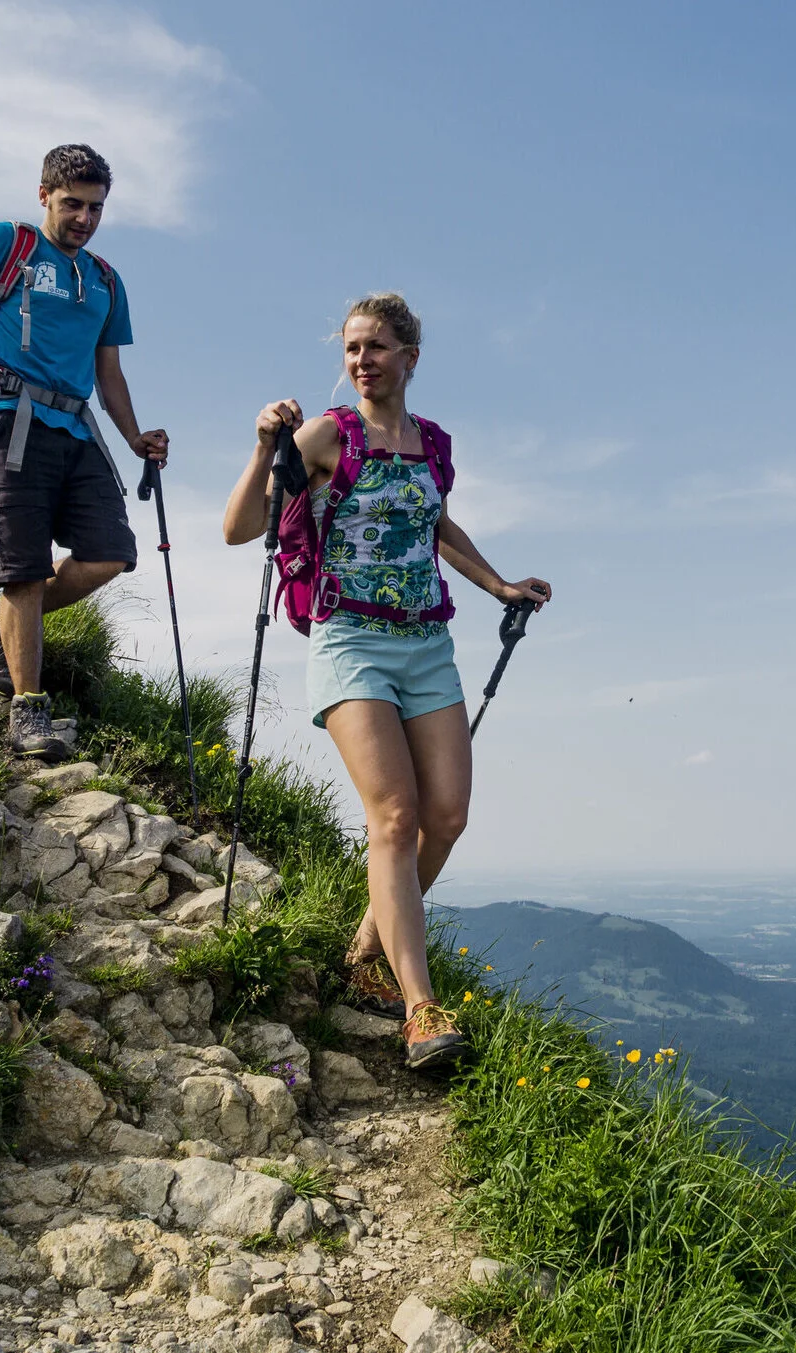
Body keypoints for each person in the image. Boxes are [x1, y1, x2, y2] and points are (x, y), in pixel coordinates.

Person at [224, 293, 551, 1070]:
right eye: (350, 349)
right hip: (351, 640)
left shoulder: (432, 444)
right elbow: (241, 528)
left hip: (426, 643)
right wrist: (263, 447)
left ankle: (369, 941)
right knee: (396, 817)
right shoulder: (325, 435)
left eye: (375, 346)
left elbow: (435, 525)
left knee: (449, 815)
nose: (360, 360)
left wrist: (500, 586)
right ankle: (420, 1008)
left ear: (410, 355)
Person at [0, 143, 168, 759]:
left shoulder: (107, 280)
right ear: (43, 197)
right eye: (72, 204)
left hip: (75, 426)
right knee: (23, 566)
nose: (84, 218)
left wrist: (134, 435)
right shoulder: (9, 241)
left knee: (111, 553)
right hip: (0, 415)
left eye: (96, 207)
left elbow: (108, 371)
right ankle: (27, 711)